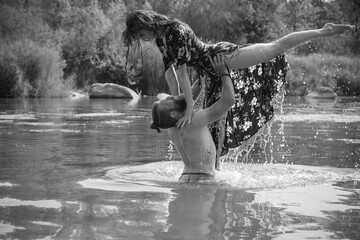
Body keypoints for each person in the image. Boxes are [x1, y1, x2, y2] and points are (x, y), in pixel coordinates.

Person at [123, 10, 354, 168]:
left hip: (219, 58)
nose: (142, 38)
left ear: (146, 24)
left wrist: (190, 106)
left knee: (274, 48)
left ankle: (324, 30)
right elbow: (169, 72)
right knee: (215, 130)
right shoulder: (161, 39)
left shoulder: (175, 30)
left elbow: (182, 71)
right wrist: (178, 99)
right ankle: (216, 177)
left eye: (140, 33)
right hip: (208, 73)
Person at [150, 54, 234, 182]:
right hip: (202, 182)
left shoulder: (173, 129)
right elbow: (228, 100)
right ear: (173, 113)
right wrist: (224, 72)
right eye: (167, 100)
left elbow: (189, 96)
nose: (170, 96)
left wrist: (202, 72)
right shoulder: (192, 121)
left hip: (185, 179)